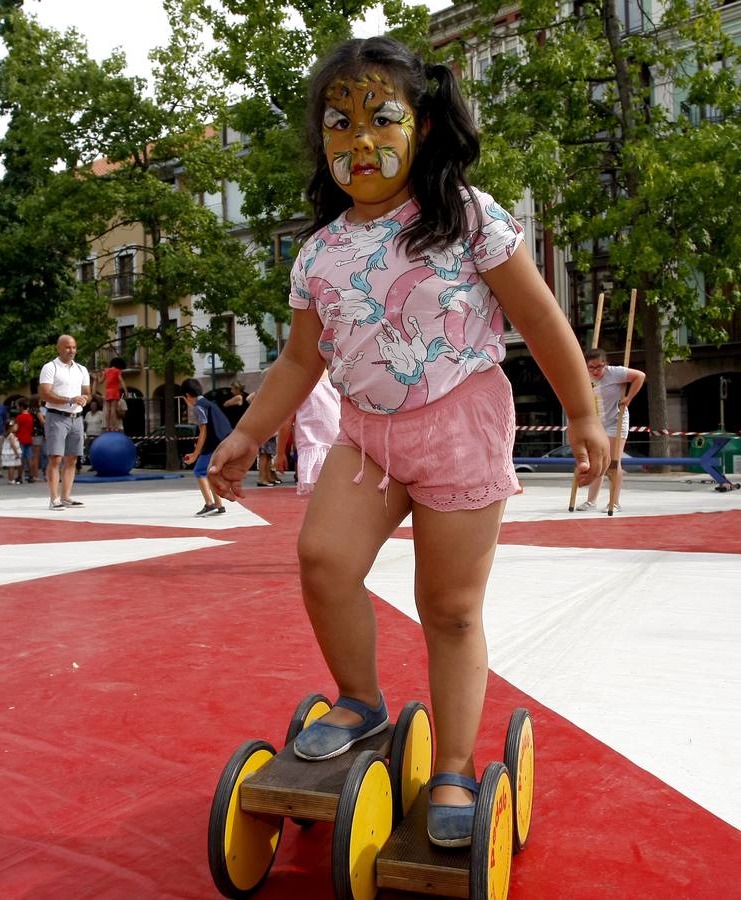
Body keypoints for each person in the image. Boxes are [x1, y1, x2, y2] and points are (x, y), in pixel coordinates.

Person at [204, 37, 608, 849]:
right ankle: (361, 701)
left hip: (460, 426)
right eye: (339, 123)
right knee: (322, 560)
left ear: (421, 126)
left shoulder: (465, 216)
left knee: (449, 610)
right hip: (367, 437)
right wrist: (246, 433)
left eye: (381, 118)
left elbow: (538, 318)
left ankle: (454, 765)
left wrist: (584, 412)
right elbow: (298, 359)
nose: (360, 140)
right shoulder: (318, 251)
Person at [578, 348, 645, 513]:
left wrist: (629, 397)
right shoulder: (583, 376)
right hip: (597, 423)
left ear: (605, 364)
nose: (596, 371)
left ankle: (614, 502)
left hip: (616, 420)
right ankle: (591, 501)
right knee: (597, 462)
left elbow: (640, 376)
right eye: (592, 367)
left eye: (600, 367)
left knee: (614, 463)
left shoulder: (615, 372)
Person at [38, 335, 91, 510]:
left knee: (72, 458)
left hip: (76, 417)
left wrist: (84, 399)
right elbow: (45, 394)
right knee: (55, 458)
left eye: (74, 347)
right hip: (56, 416)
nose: (71, 351)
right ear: (59, 348)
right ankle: (54, 499)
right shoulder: (50, 367)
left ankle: (66, 496)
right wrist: (70, 400)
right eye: (68, 347)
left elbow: (87, 393)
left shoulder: (81, 369)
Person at [181, 378, 233, 515]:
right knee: (210, 473)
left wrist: (195, 454)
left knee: (199, 471)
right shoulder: (210, 403)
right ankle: (219, 504)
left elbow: (203, 431)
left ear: (187, 396)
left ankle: (209, 503)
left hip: (213, 444)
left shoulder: (198, 406)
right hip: (223, 441)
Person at [292, 373, 342, 494]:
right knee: (329, 491)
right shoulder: (334, 378)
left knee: (328, 491)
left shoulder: (334, 379)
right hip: (321, 443)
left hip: (325, 443)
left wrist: (281, 452)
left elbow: (286, 420)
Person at [103, 356, 125, 433]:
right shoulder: (117, 371)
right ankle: (114, 427)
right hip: (115, 392)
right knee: (113, 410)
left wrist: (96, 377)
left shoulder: (106, 371)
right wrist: (126, 391)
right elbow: (121, 381)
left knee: (108, 410)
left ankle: (108, 427)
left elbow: (101, 380)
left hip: (108, 392)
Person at [14, 400, 35, 483]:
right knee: (29, 458)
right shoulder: (30, 417)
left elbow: (16, 428)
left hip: (20, 439)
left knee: (20, 459)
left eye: (18, 406)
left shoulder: (19, 417)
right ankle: (31, 476)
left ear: (21, 407)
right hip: (29, 438)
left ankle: (19, 476)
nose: (17, 408)